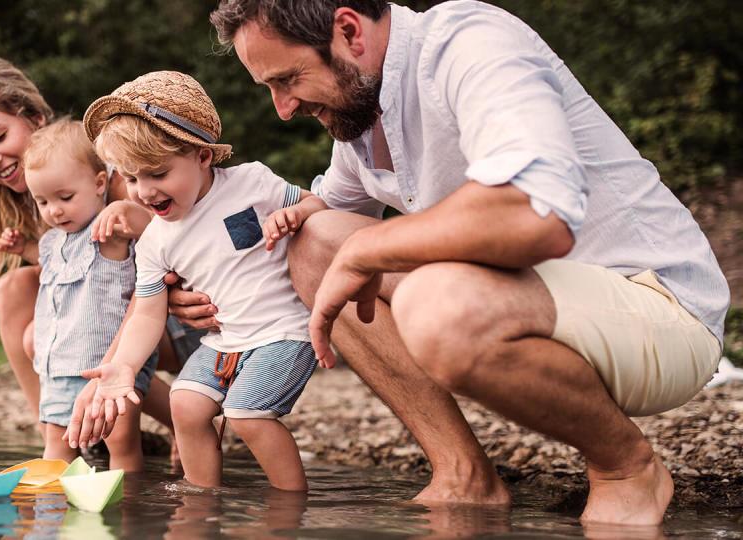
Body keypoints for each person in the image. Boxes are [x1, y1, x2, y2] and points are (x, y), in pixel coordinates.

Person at [203, 0, 729, 526]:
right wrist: (199, 283)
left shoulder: (466, 42)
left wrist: (370, 249)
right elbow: (322, 217)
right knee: (316, 244)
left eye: (289, 79)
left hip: (658, 311)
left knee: (436, 305)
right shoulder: (363, 110)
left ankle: (626, 468)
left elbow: (533, 213)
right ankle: (464, 474)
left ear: (348, 31)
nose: (283, 108)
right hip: (540, 303)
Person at [70, 71, 328, 491]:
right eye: (131, 178)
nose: (144, 192)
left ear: (203, 156)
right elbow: (148, 315)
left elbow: (317, 204)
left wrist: (297, 214)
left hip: (282, 331)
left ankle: (289, 505)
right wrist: (124, 366)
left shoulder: (252, 184)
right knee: (184, 404)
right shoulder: (154, 240)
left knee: (247, 414)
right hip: (224, 340)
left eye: (157, 173)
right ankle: (201, 499)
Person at [0, 58, 198, 443]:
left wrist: (108, 369)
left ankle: (169, 426)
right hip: (116, 327)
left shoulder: (119, 182)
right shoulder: (38, 201)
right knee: (17, 290)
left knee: (75, 342)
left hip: (179, 318)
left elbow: (154, 279)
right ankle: (57, 432)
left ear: (37, 118)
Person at [18, 119, 159, 467]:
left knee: (121, 443)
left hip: (104, 366)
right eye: (43, 201)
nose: (55, 210)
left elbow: (157, 234)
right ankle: (49, 514)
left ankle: (130, 507)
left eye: (65, 197)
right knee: (57, 444)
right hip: (57, 366)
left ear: (99, 184)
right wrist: (23, 248)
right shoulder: (51, 242)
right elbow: (55, 268)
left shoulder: (108, 232)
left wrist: (125, 210)